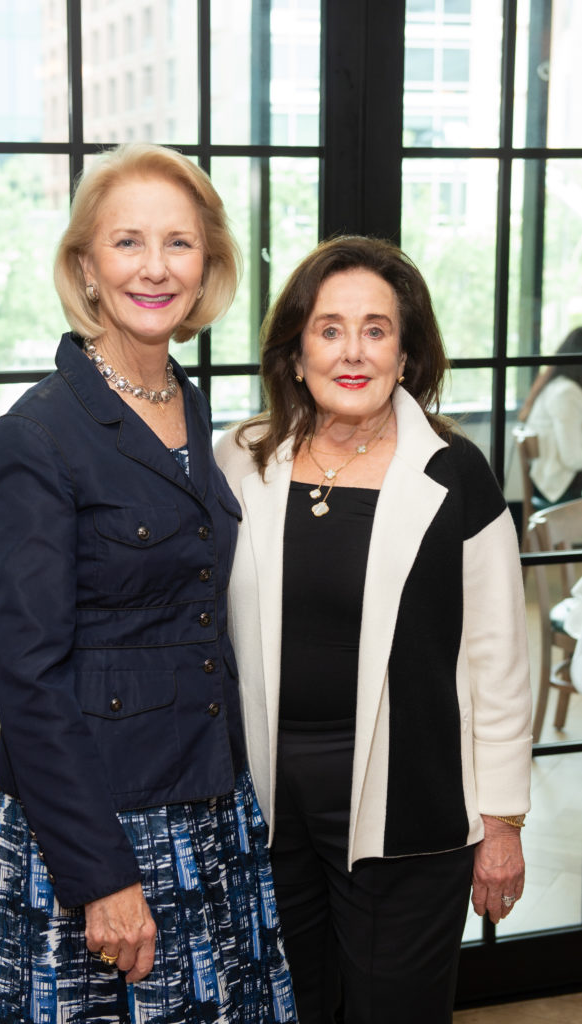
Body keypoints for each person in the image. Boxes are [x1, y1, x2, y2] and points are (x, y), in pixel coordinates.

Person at [0, 142, 297, 1024]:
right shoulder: (36, 438)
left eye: (178, 244)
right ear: (84, 265)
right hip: (106, 827)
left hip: (210, 807)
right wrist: (103, 876)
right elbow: (31, 683)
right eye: (127, 243)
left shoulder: (191, 412)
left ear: (208, 266)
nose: (155, 268)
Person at [215, 235, 532, 1024]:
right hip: (267, 816)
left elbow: (498, 659)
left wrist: (501, 825)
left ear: (406, 352)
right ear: (293, 353)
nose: (350, 352)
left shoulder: (455, 473)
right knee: (291, 1010)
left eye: (375, 329)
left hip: (412, 816)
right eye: (328, 329)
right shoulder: (241, 461)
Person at [518, 327, 582, 505]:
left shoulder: (560, 387)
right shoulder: (567, 393)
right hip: (560, 489)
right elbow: (573, 458)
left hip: (552, 483)